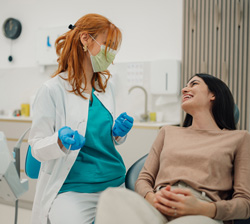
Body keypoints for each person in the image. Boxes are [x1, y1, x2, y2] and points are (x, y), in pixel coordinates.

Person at [94, 74, 250, 224]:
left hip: (201, 212)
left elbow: (245, 204)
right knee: (112, 196)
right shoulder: (168, 131)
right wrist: (152, 198)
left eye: (194, 84)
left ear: (213, 95)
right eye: (185, 85)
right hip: (157, 205)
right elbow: (143, 179)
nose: (184, 89)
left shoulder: (239, 138)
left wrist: (205, 208)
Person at [28, 13, 134, 224]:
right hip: (73, 189)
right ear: (86, 39)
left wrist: (117, 133)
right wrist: (58, 140)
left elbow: (108, 142)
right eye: (108, 44)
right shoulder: (51, 90)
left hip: (115, 183)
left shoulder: (106, 87)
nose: (111, 53)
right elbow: (37, 148)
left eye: (114, 47)